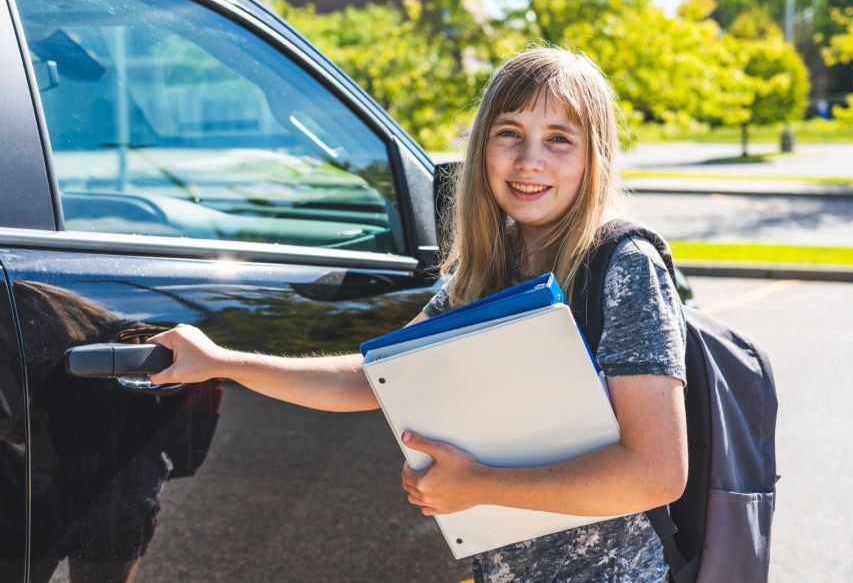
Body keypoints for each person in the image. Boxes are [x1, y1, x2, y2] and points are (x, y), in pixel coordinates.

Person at [148, 46, 688, 582]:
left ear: (594, 157)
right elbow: (372, 378)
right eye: (509, 133)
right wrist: (221, 361)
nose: (529, 160)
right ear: (481, 149)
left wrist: (478, 486)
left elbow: (655, 474)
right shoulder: (487, 272)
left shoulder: (624, 267)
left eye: (558, 140)